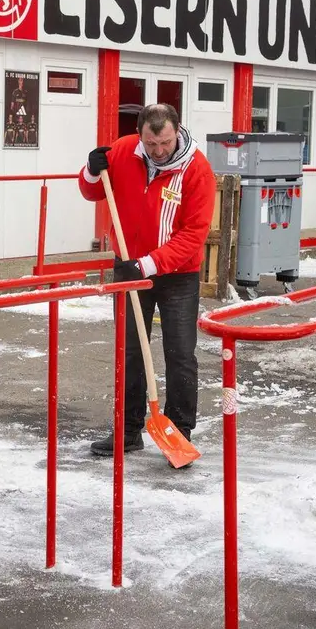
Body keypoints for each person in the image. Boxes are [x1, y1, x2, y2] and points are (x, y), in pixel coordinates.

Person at [78, 102, 215, 458]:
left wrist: (148, 265)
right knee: (130, 351)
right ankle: (128, 429)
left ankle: (180, 430)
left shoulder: (196, 170)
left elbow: (193, 236)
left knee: (180, 352)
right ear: (141, 135)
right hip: (128, 267)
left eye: (165, 143)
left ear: (177, 131)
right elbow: (92, 190)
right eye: (151, 144)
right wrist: (91, 171)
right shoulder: (124, 151)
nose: (158, 151)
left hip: (177, 275)